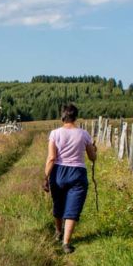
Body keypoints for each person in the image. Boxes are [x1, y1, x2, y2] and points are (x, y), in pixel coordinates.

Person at [43, 103, 97, 254]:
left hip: (58, 172)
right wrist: (94, 150)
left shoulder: (54, 134)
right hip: (78, 172)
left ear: (63, 116)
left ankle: (58, 232)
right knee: (72, 208)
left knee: (58, 203)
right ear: (75, 117)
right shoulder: (84, 134)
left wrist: (46, 176)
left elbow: (52, 157)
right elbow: (92, 157)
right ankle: (66, 243)